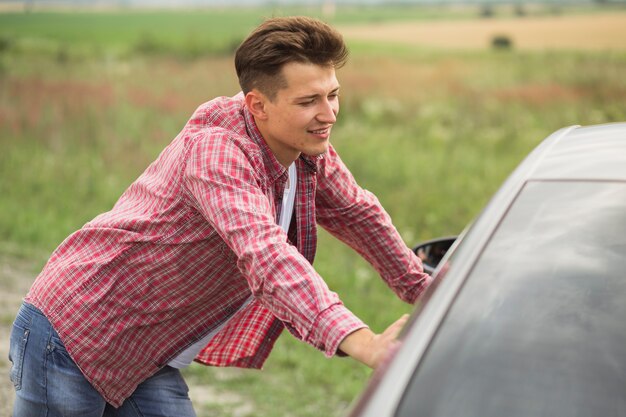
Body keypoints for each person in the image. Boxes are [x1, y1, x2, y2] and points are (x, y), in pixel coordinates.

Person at [8, 16, 432, 417]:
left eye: (333, 94)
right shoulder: (217, 153)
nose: (329, 113)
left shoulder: (304, 149)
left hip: (147, 351)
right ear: (258, 105)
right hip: (74, 334)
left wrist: (429, 292)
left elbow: (357, 213)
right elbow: (267, 257)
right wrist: (363, 343)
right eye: (309, 101)